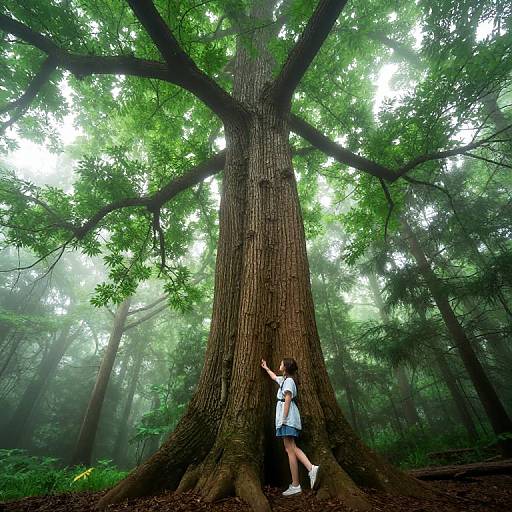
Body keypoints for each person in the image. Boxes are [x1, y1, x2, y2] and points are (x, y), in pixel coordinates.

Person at [261, 357, 320, 496]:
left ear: (286, 367)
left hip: (287, 417)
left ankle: (309, 470)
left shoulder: (289, 381)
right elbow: (275, 377)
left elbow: (287, 399)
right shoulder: (285, 380)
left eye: (281, 363)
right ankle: (297, 482)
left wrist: (283, 418)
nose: (279, 364)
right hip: (286, 417)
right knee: (290, 449)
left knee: (291, 448)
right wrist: (266, 368)